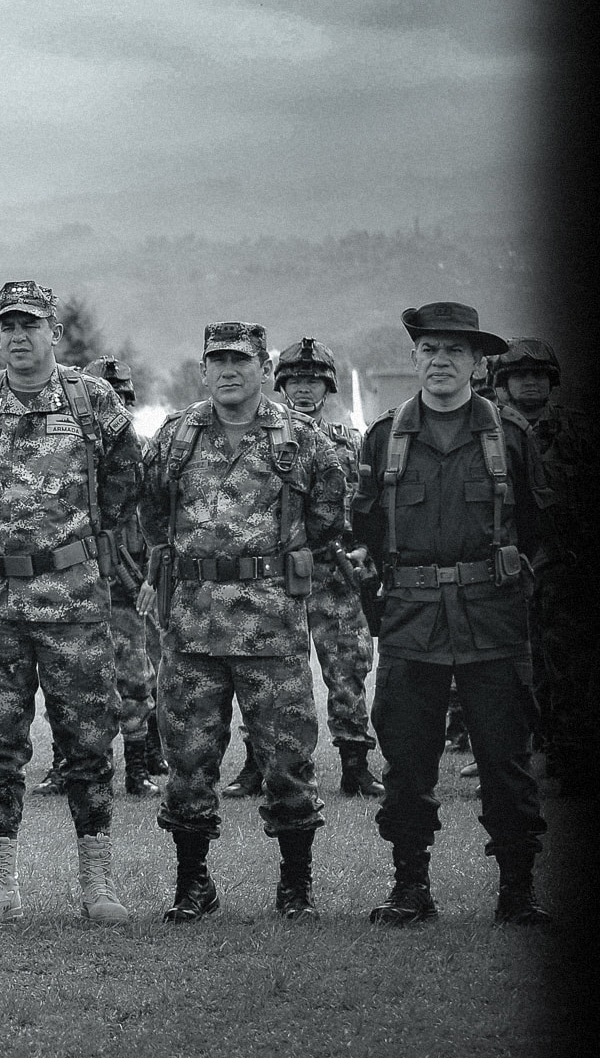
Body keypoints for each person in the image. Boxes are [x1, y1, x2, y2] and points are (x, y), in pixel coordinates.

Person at [0, 281, 140, 926]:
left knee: (87, 737)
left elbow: (124, 485)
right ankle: (1, 884)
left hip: (73, 601)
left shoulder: (92, 403)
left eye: (31, 325)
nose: (19, 337)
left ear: (55, 331)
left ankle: (96, 882)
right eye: (8, 327)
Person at [353, 302, 552, 926]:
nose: (441, 362)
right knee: (408, 761)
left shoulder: (509, 436)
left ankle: (517, 890)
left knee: (506, 759)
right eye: (430, 351)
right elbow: (362, 535)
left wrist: (519, 597)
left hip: (493, 623)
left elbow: (546, 528)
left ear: (476, 362)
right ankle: (411, 887)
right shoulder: (385, 437)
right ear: (415, 358)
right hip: (411, 623)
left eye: (455, 352)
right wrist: (382, 612)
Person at [139, 322, 341, 922]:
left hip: (271, 628)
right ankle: (193, 884)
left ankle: (296, 886)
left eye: (241, 360)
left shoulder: (300, 439)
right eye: (217, 360)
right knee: (189, 759)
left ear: (262, 366)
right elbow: (153, 515)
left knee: (286, 758)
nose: (228, 371)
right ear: (204, 368)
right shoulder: (176, 437)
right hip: (192, 630)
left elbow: (329, 516)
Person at [254, 339, 384, 798]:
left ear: (327, 386)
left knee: (346, 668)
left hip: (333, 570)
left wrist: (365, 549)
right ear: (281, 384)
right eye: (295, 380)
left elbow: (368, 505)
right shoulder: (260, 437)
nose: (304, 389)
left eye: (313, 381)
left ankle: (355, 763)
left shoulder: (352, 443)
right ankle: (258, 765)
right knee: (266, 672)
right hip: (276, 573)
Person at [490, 337, 598, 795]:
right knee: (510, 671)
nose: (530, 382)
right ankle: (515, 760)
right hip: (508, 570)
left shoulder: (578, 431)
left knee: (569, 670)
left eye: (538, 375)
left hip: (569, 572)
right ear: (504, 383)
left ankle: (570, 760)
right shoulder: (492, 429)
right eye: (520, 375)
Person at [84, 356, 165, 796]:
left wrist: (149, 579)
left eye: (122, 400)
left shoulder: (142, 455)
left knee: (136, 677)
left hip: (128, 588)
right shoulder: (70, 456)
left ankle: (138, 767)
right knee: (76, 682)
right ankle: (70, 764)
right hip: (78, 587)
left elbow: (158, 523)